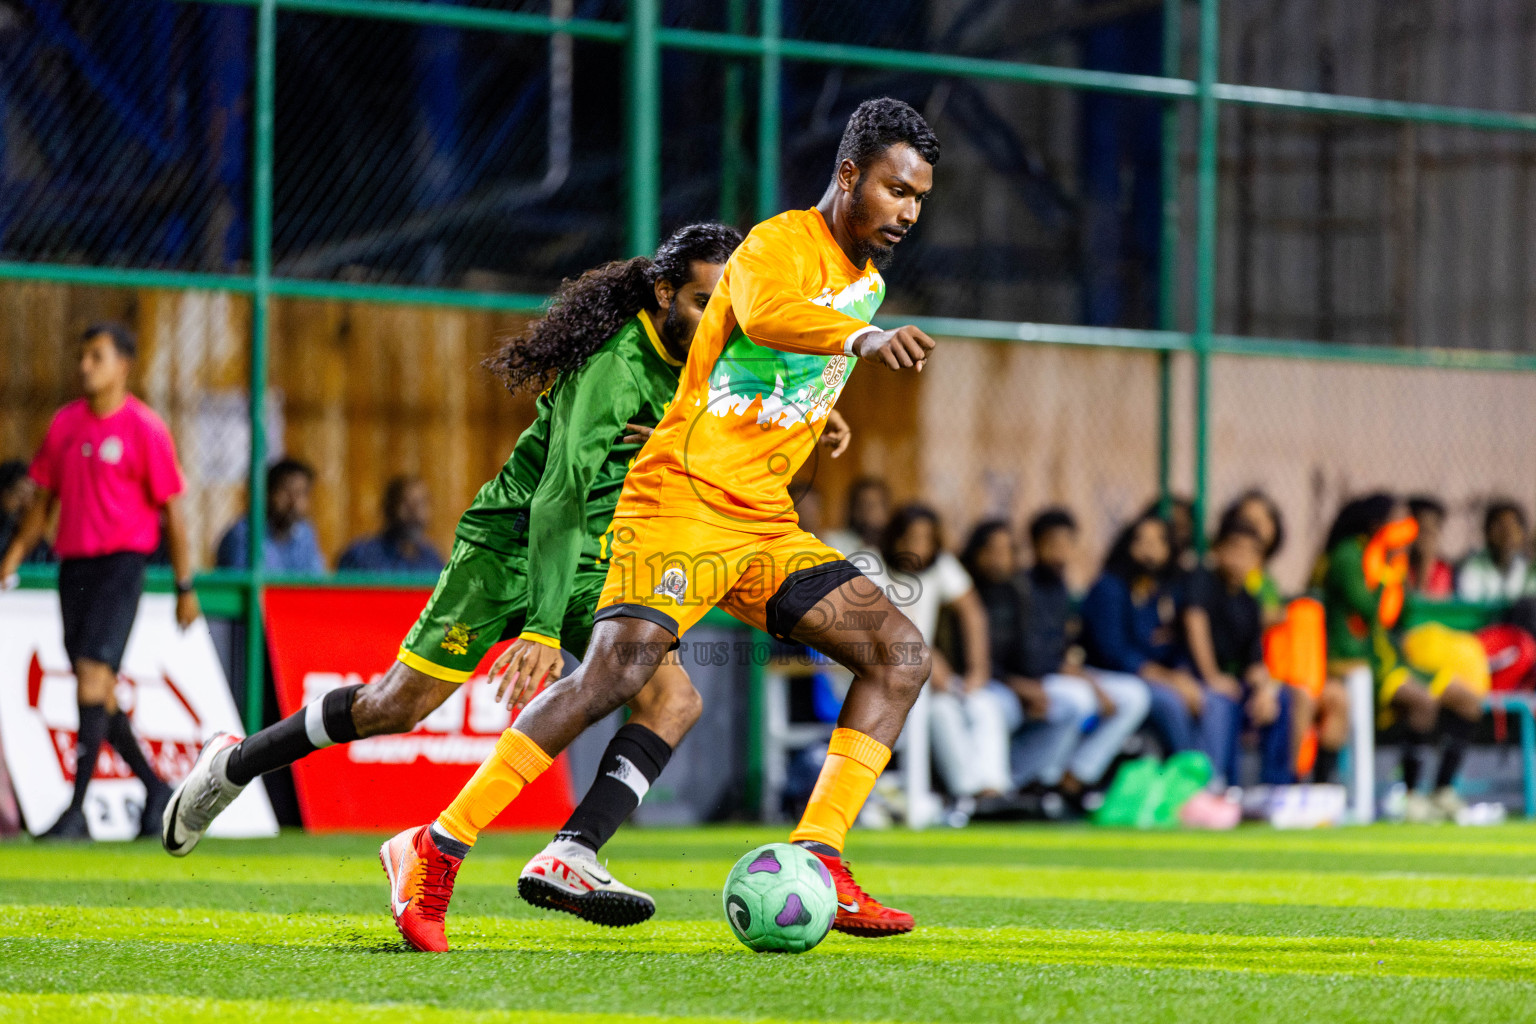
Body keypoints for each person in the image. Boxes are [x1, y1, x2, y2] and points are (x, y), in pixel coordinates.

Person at [385, 97, 941, 950]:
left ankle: (821, 853)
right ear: (848, 175)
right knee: (615, 674)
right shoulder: (776, 244)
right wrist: (858, 346)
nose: (907, 212)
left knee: (898, 653)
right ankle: (437, 845)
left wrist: (818, 413)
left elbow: (758, 362)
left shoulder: (865, 281)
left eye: (919, 199)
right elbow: (764, 317)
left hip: (761, 524)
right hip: (680, 499)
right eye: (896, 190)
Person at [162, 224, 747, 934]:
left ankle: (576, 848)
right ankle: (236, 763)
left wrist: (813, 425)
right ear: (663, 293)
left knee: (674, 697)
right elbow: (557, 498)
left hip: (598, 559)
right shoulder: (614, 370)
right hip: (508, 547)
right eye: (701, 301)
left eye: (726, 304)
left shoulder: (714, 347)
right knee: (394, 708)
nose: (716, 317)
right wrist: (537, 626)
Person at [0, 323, 200, 838]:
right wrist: (14, 556)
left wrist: (185, 584)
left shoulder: (145, 428)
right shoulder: (66, 425)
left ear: (123, 365)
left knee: (91, 676)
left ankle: (77, 811)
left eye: (96, 356)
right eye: (82, 355)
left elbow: (173, 512)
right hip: (74, 567)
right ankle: (157, 791)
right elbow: (42, 503)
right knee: (98, 690)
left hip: (121, 566)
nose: (85, 365)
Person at [1319, 494, 1486, 822]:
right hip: (1358, 660)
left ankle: (1442, 790)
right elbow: (1369, 611)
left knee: (1468, 700)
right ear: (1376, 522)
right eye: (1399, 520)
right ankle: (1409, 794)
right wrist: (1388, 573)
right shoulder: (1348, 556)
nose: (1407, 529)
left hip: (1393, 660)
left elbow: (1404, 612)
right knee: (1422, 702)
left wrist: (1405, 567)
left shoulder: (1389, 559)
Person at [877, 506, 1011, 807]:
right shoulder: (870, 565)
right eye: (911, 538)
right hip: (878, 680)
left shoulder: (940, 565)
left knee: (984, 703)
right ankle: (968, 794)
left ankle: (993, 791)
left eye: (926, 539)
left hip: (926, 678)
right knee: (942, 712)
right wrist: (927, 658)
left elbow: (972, 612)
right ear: (894, 539)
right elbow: (882, 632)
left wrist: (978, 670)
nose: (918, 547)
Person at [1016, 509, 1150, 795]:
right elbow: (1036, 657)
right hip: (1030, 677)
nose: (1060, 551)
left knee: (1135, 695)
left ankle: (1077, 774)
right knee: (1081, 699)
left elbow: (1065, 651)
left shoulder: (1061, 587)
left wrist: (1085, 676)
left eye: (1066, 543)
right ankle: (1042, 779)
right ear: (1035, 544)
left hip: (1062, 673)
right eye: (1052, 543)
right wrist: (1088, 681)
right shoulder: (1023, 586)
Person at [1180, 518, 1293, 787]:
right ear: (1217, 551)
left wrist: (1265, 690)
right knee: (1223, 700)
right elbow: (1195, 625)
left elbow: (1254, 661)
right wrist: (1212, 677)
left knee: (1282, 698)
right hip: (1192, 676)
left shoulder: (1249, 601)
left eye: (1251, 552)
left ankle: (1275, 787)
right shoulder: (1201, 581)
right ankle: (1222, 785)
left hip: (1232, 682)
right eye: (1235, 549)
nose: (1241, 558)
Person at [1079, 513, 1199, 757]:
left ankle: (1216, 777)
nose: (1148, 551)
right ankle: (1190, 776)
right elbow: (1114, 653)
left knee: (1209, 699)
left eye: (1157, 543)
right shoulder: (1110, 588)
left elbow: (1175, 646)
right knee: (1170, 702)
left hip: (1156, 676)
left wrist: (1182, 674)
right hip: (1114, 676)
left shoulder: (1166, 593)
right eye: (1141, 542)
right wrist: (1167, 678)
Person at [215, 458, 326, 573]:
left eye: (301, 493)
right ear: (267, 494)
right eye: (286, 492)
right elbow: (243, 586)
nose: (294, 502)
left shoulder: (305, 533)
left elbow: (316, 581)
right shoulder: (244, 533)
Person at [337, 475, 445, 574]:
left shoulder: (433, 561)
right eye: (406, 503)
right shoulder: (361, 556)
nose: (414, 512)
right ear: (389, 507)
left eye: (421, 503)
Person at [1457, 500, 1536, 603]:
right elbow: (1470, 602)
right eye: (1500, 527)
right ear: (1487, 532)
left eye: (1513, 527)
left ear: (1523, 534)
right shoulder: (1473, 566)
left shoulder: (1529, 569)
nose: (1507, 533)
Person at [824, 476, 891, 562]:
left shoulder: (894, 547)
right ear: (853, 509)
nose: (870, 512)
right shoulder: (833, 542)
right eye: (865, 505)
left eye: (875, 505)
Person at [0, 460, 53, 564]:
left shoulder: (35, 537)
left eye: (32, 496)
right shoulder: (5, 530)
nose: (28, 504)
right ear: (4, 496)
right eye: (21, 496)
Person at [1406, 495, 1454, 598]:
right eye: (1423, 531)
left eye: (1432, 533)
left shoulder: (1442, 570)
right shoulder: (1398, 565)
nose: (1427, 539)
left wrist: (1425, 564)